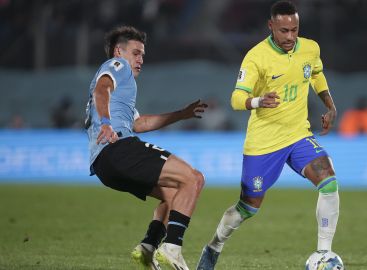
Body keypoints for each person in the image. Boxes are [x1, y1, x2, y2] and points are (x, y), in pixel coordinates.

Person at [196, 1, 340, 269]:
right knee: (248, 207)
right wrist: (258, 101)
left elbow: (316, 75)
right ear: (271, 26)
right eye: (283, 30)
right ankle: (214, 246)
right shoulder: (256, 57)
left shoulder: (310, 48)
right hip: (264, 142)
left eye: (294, 30)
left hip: (298, 135)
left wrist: (330, 106)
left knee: (328, 181)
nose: (289, 37)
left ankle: (323, 254)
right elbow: (236, 99)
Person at [85, 26, 208, 270]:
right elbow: (102, 89)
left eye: (143, 54)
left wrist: (179, 115)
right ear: (119, 52)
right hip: (118, 147)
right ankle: (172, 247)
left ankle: (148, 247)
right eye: (136, 53)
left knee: (176, 195)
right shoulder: (116, 67)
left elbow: (139, 123)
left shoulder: (124, 92)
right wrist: (107, 123)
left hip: (104, 165)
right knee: (194, 179)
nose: (141, 59)